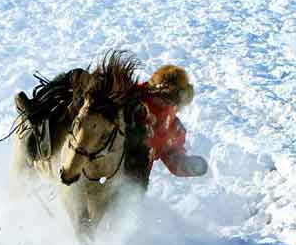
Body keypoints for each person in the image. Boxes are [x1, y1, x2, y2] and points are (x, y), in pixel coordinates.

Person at [14, 63, 207, 182]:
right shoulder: (130, 96)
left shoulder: (172, 129)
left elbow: (174, 158)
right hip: (98, 153)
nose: (163, 103)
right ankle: (36, 115)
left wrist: (190, 165)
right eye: (161, 96)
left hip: (129, 177)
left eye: (170, 99)